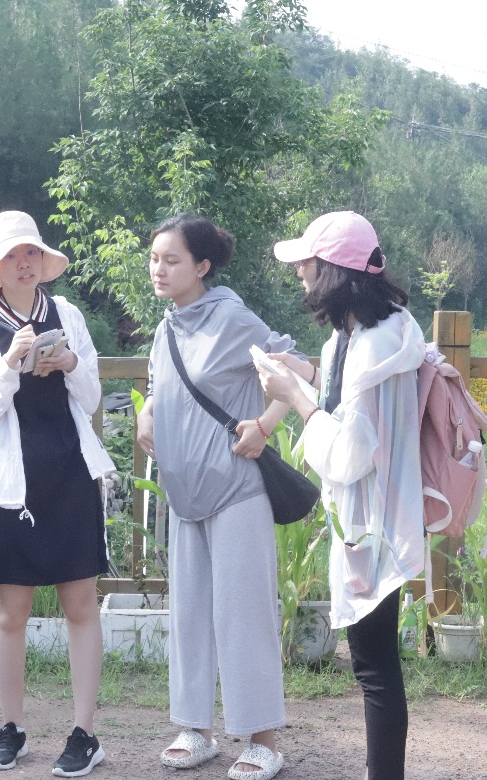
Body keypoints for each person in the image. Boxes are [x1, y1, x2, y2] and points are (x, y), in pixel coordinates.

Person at [0, 210, 115, 777]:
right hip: (7, 487)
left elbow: (90, 396)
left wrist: (70, 362)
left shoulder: (67, 313)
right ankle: (12, 727)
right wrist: (10, 364)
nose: (23, 263)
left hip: (70, 474)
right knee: (9, 611)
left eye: (31, 253)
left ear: (43, 261)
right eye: (11, 256)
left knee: (80, 604)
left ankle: (85, 733)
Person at [258, 210, 424, 780]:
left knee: (375, 671)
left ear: (331, 270)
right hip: (378, 518)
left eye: (306, 261)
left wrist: (296, 398)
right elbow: (349, 404)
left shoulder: (371, 348)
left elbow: (351, 453)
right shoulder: (364, 333)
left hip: (373, 524)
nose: (299, 271)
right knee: (376, 667)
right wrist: (305, 373)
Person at [137, 214, 301, 780]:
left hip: (236, 491)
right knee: (190, 617)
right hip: (185, 495)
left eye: (172, 260)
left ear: (202, 266)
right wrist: (146, 412)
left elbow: (297, 368)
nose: (159, 269)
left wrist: (266, 424)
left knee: (243, 616)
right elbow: (160, 386)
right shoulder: (166, 327)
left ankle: (263, 741)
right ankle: (195, 729)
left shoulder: (231, 317)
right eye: (154, 258)